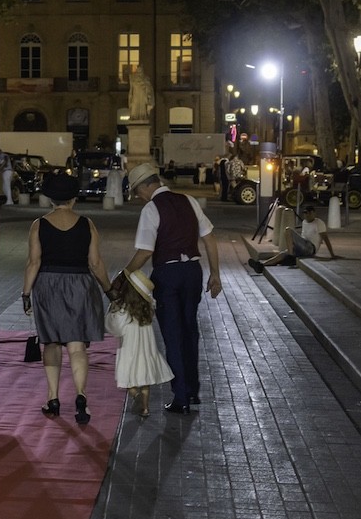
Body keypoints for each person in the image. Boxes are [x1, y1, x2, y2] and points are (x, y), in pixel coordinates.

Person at [117, 162, 222, 415]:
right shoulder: (189, 200)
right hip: (193, 273)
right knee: (190, 329)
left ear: (145, 186)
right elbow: (208, 237)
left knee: (173, 334)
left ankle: (181, 396)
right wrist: (215, 274)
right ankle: (193, 389)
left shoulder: (152, 209)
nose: (138, 196)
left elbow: (145, 251)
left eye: (136, 191)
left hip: (168, 273)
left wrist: (124, 275)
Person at [22, 172, 113, 425]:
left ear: (50, 198)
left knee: (51, 343)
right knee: (77, 346)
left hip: (48, 285)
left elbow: (34, 262)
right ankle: (81, 396)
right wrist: (108, 289)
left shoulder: (39, 224)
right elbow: (95, 263)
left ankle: (52, 398)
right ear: (74, 198)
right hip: (81, 284)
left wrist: (26, 293)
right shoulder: (87, 224)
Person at [108, 269, 173, 418]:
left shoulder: (124, 310)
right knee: (145, 381)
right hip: (146, 351)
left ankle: (135, 395)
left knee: (129, 379)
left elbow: (115, 328)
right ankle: (145, 408)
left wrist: (112, 311)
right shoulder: (148, 308)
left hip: (129, 350)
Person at [247, 204, 337, 272]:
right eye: (305, 213)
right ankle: (261, 265)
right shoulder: (305, 222)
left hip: (310, 248)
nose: (307, 215)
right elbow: (302, 237)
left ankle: (290, 256)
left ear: (313, 213)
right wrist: (294, 245)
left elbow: (325, 238)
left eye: (309, 213)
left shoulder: (319, 223)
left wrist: (332, 254)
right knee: (282, 254)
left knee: (288, 230)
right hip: (303, 246)